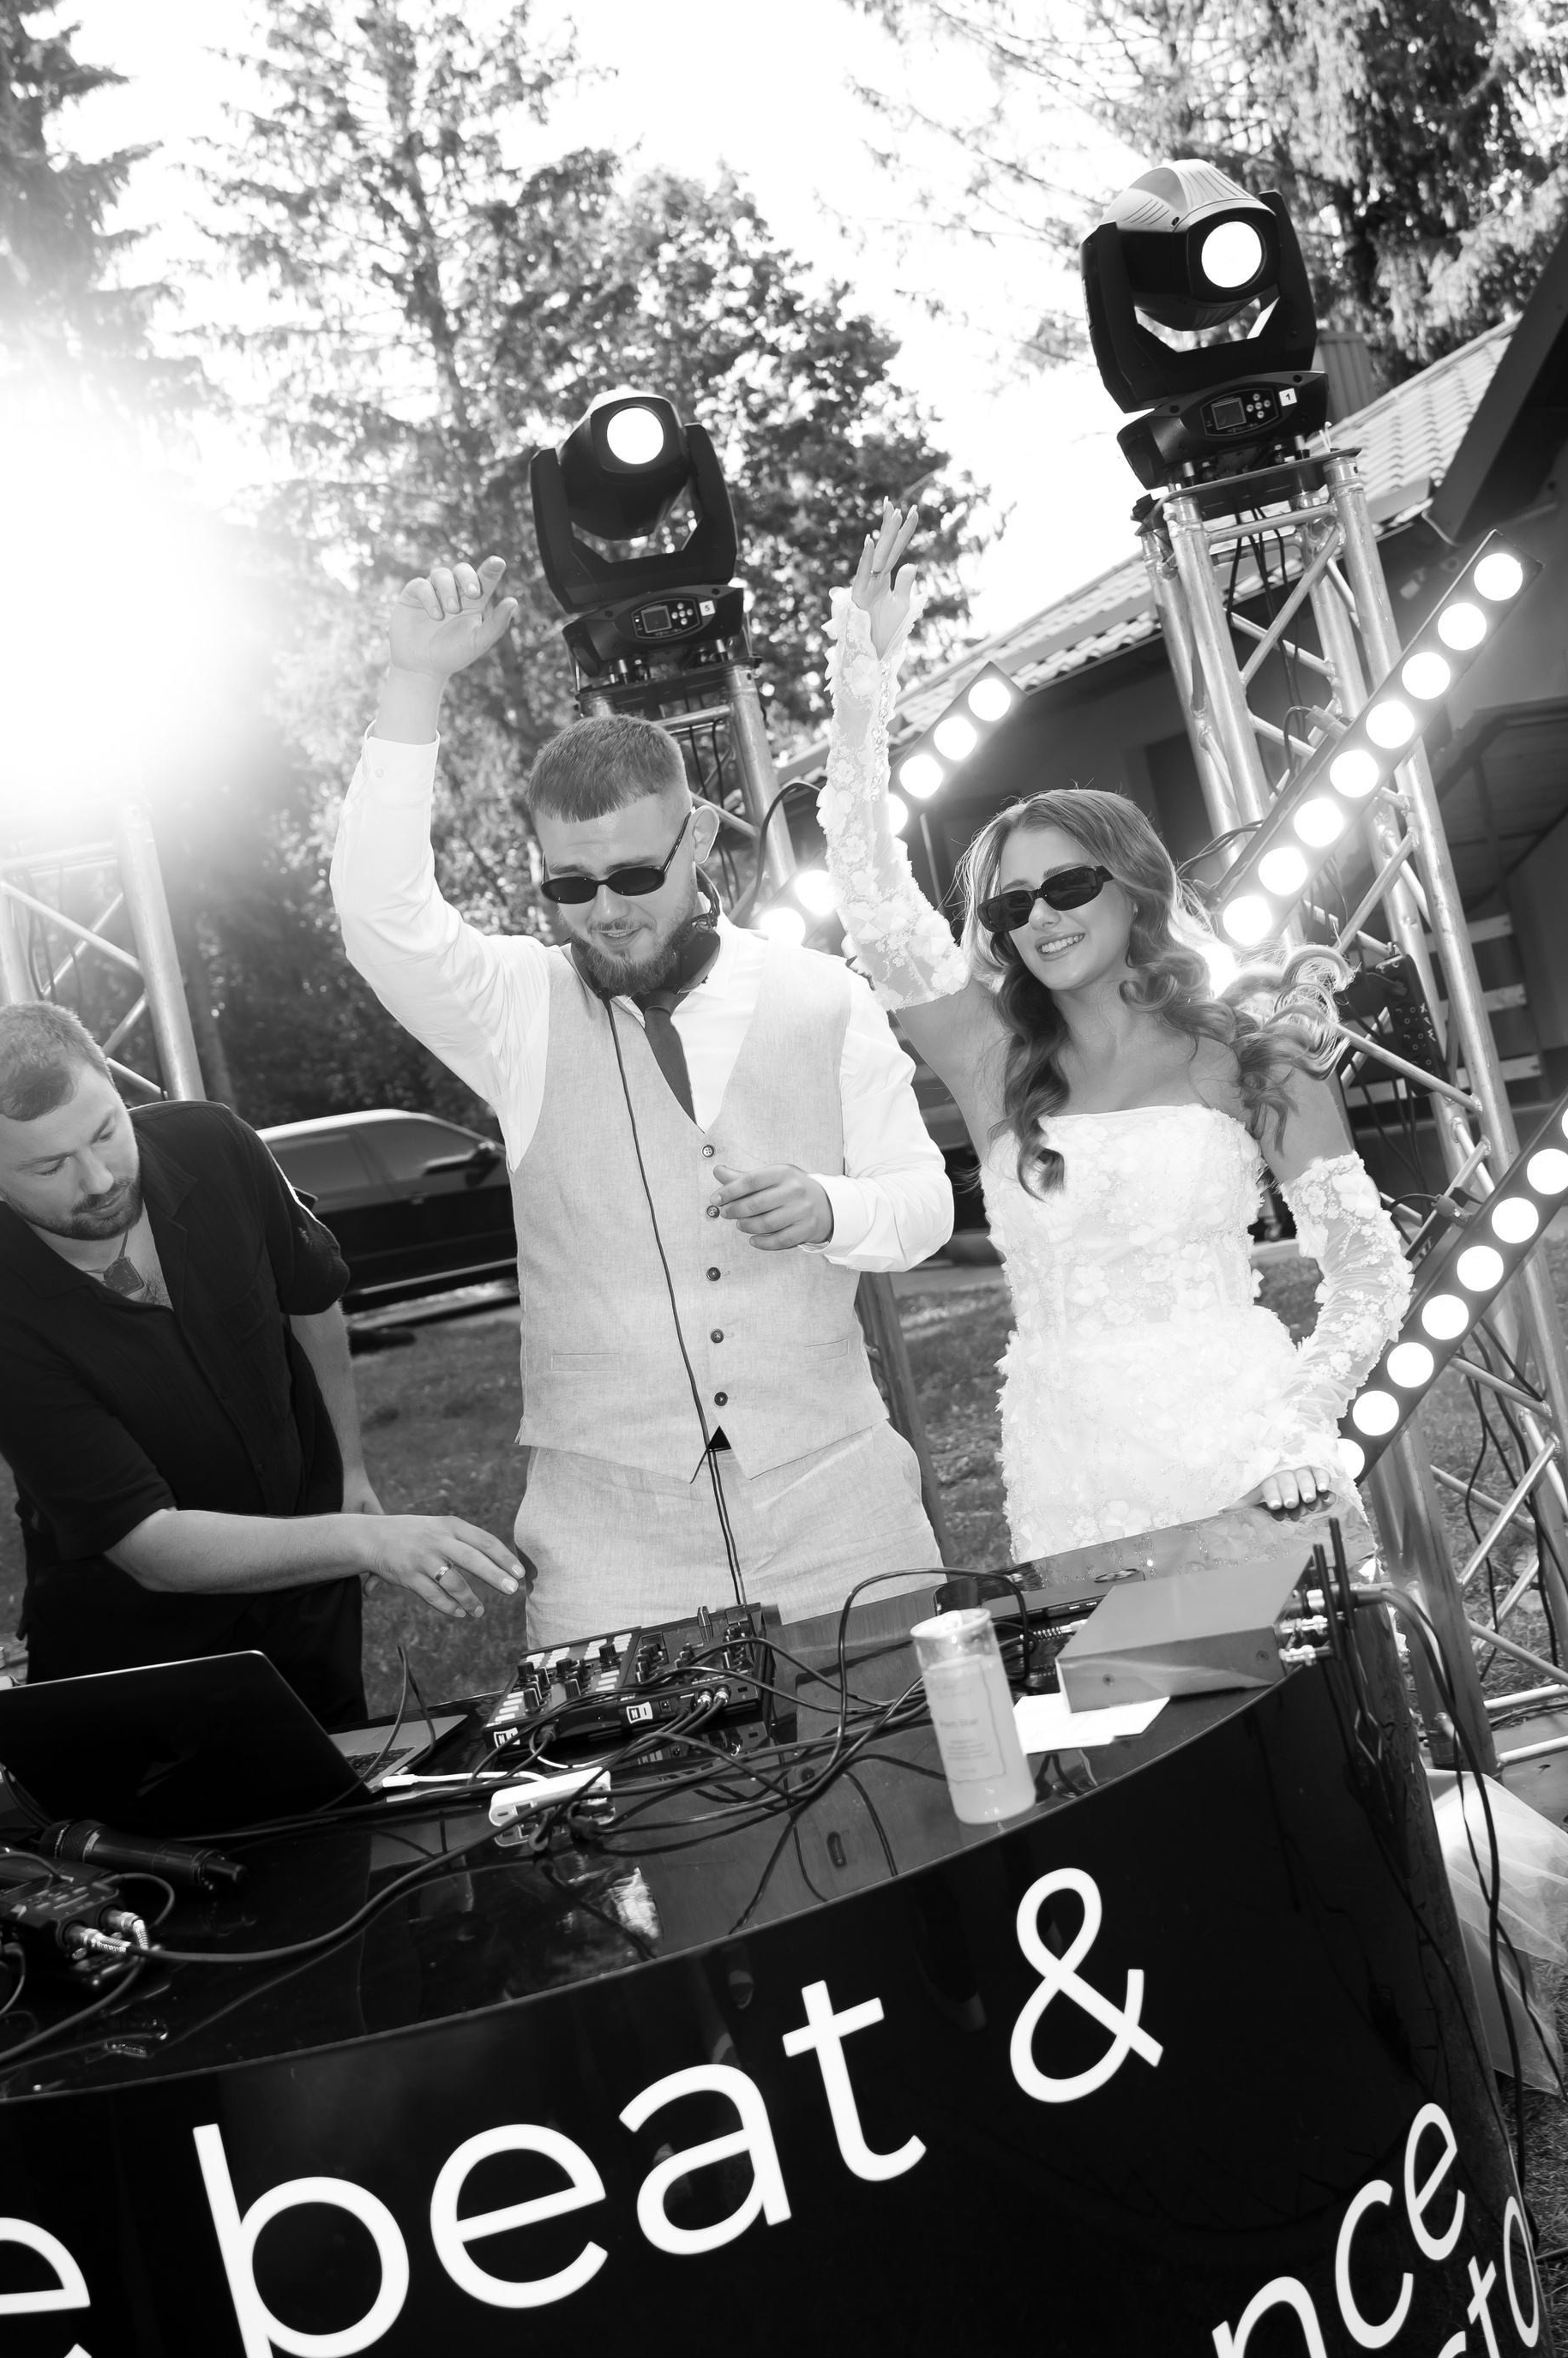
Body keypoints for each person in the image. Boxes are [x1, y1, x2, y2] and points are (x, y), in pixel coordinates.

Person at [330, 551, 955, 1645]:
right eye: (570, 885)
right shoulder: (516, 1005)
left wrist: (832, 1206)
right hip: (609, 1544)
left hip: (843, 1507)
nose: (604, 911)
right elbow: (382, 914)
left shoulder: (822, 994)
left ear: (698, 838)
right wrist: (412, 683)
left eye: (633, 875)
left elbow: (924, 1202)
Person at [817, 502, 1413, 1572]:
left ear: (1134, 884)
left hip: (1247, 1451)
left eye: (1067, 885)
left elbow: (1370, 1269)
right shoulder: (992, 1060)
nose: (1040, 918)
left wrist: (1299, 1422)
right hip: (1071, 1473)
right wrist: (864, 689)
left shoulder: (1248, 1051)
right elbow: (871, 897)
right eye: (1012, 905)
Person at [0, 1006, 523, 1723]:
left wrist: (350, 1473)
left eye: (107, 1131)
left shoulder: (215, 1143)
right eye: (49, 1166)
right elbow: (149, 1545)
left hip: (309, 1592)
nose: (99, 1179)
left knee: (340, 1786)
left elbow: (311, 1295)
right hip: (140, 1657)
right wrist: (365, 1539)